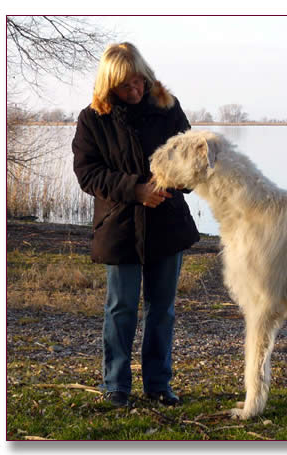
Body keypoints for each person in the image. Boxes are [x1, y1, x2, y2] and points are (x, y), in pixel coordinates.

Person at [72, 42, 200, 407]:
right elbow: (88, 173)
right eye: (125, 87)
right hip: (120, 225)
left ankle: (158, 384)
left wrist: (171, 182)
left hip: (167, 222)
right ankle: (116, 385)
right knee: (121, 307)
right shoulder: (92, 119)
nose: (135, 91)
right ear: (110, 85)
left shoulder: (168, 107)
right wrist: (136, 189)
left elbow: (192, 158)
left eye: (139, 82)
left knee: (162, 309)